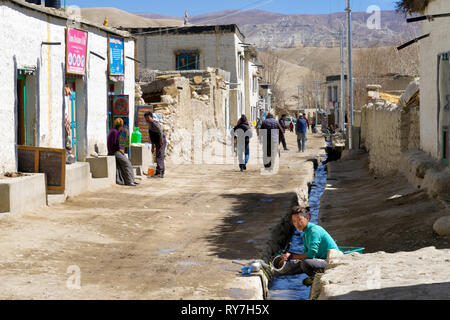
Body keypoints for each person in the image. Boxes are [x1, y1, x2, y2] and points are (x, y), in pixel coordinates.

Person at [273, 206, 339, 286]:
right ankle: (273, 272)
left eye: (299, 220)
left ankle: (315, 278)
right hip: (320, 260)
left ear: (307, 218)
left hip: (331, 261)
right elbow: (307, 254)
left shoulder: (314, 231)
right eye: (294, 221)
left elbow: (311, 254)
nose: (297, 223)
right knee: (297, 264)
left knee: (305, 263)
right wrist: (290, 255)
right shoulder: (306, 232)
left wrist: (292, 256)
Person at [107, 118, 139, 186]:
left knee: (127, 163)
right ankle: (129, 181)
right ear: (120, 126)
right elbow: (114, 144)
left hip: (114, 151)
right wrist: (120, 150)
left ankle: (131, 180)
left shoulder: (113, 131)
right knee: (127, 164)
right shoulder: (115, 132)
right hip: (114, 152)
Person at [144, 112, 167, 178]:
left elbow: (160, 131)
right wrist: (152, 147)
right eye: (146, 118)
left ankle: (160, 172)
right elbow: (152, 137)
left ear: (151, 117)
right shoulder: (150, 125)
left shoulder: (154, 123)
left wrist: (161, 141)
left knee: (159, 156)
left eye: (148, 118)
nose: (147, 119)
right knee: (157, 156)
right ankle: (158, 172)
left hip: (160, 141)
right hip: (157, 142)